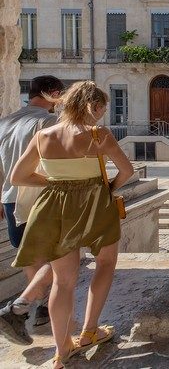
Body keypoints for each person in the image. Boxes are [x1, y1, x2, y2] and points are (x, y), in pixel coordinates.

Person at [10, 81, 134, 368]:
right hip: (96, 204)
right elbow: (126, 171)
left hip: (56, 206)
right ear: (98, 106)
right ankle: (90, 330)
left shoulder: (44, 135)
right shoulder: (98, 134)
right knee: (105, 264)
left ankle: (62, 350)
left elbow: (18, 176)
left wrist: (56, 183)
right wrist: (109, 187)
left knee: (63, 281)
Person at [0, 75, 64, 345]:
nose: (60, 99)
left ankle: (41, 310)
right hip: (40, 197)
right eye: (59, 94)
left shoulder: (5, 122)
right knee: (64, 257)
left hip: (10, 198)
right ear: (50, 93)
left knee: (31, 259)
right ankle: (19, 308)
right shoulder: (49, 122)